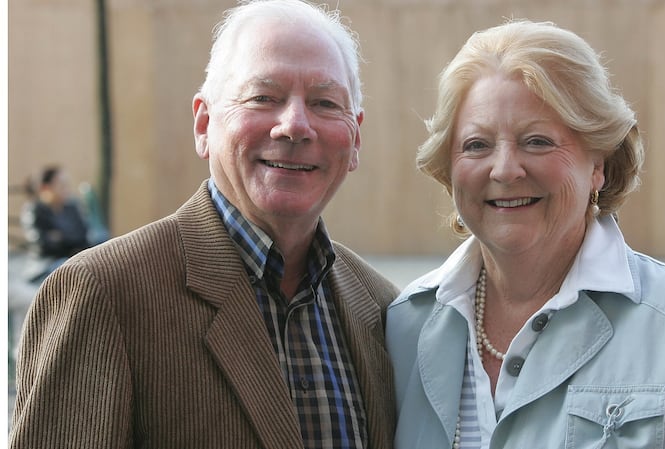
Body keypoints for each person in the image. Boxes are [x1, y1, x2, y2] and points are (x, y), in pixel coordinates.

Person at [11, 1, 398, 448]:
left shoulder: (383, 309)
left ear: (355, 140)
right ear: (203, 123)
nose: (294, 125)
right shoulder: (104, 293)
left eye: (325, 103)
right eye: (263, 97)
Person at [386, 20, 665, 449]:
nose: (505, 169)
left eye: (537, 141)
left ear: (598, 164)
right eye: (477, 144)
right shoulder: (406, 325)